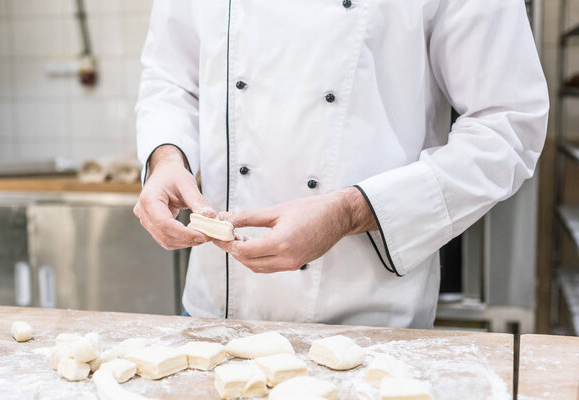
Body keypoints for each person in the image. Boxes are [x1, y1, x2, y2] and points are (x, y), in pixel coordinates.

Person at [133, 0, 549, 328]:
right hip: (216, 313)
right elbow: (171, 78)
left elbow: (507, 125)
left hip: (368, 322)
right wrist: (165, 158)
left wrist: (350, 212)